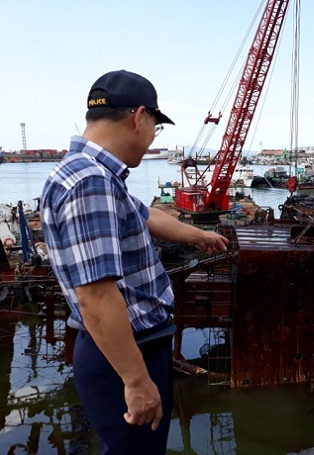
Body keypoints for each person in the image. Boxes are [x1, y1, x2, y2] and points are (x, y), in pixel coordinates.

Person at [40, 70, 229, 454]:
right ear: (139, 117)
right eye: (156, 129)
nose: (151, 141)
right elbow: (95, 296)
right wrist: (137, 382)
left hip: (133, 349)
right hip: (125, 355)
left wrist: (200, 235)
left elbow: (144, 215)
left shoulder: (96, 175)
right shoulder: (89, 183)